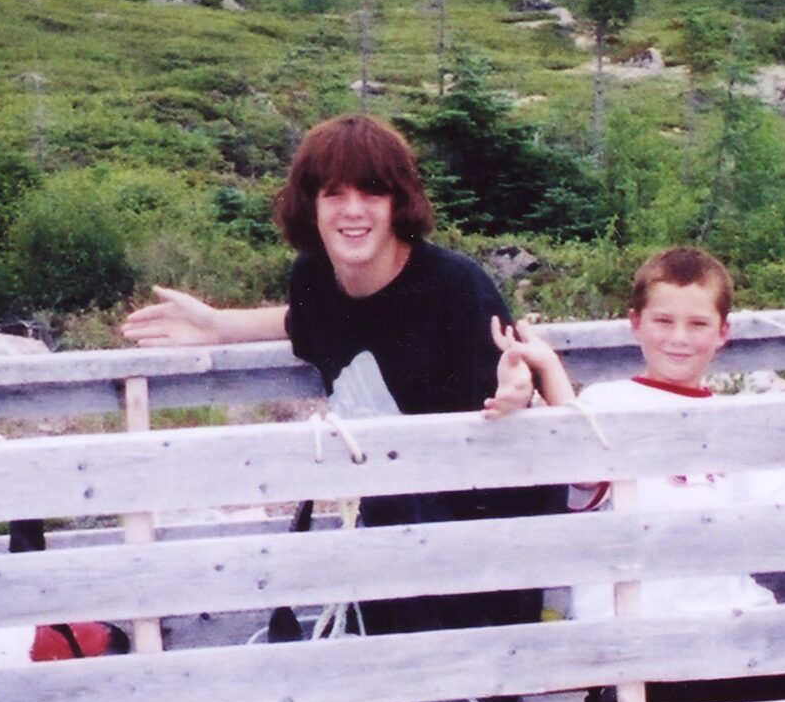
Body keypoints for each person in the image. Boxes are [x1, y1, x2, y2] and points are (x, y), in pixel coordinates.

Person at [121, 114, 558, 645]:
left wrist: (519, 391)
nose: (353, 210)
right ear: (312, 205)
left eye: (372, 192)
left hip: (485, 564)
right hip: (386, 558)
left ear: (400, 202)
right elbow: (302, 320)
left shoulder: (455, 288)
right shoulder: (314, 281)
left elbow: (513, 406)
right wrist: (217, 325)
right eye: (334, 194)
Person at [484, 245, 785, 702]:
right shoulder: (609, 404)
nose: (679, 338)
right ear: (636, 324)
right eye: (663, 321)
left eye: (697, 324)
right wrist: (546, 367)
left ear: (722, 334)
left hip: (728, 635)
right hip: (636, 645)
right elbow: (585, 460)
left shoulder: (734, 424)